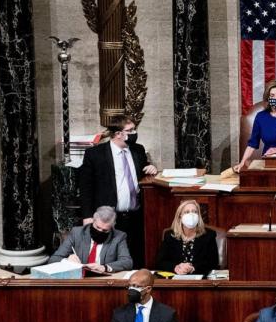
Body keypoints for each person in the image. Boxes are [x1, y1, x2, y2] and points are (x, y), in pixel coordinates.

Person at [78, 114, 157, 268]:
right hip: (110, 217)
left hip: (136, 215)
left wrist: (150, 168)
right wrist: (87, 216)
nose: (134, 133)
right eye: (130, 130)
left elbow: (142, 169)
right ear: (118, 134)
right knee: (110, 258)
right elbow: (86, 187)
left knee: (135, 256)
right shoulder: (95, 154)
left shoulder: (138, 150)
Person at [105, 269, 179, 322]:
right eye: (129, 286)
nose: (131, 290)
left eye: (136, 286)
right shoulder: (119, 313)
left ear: (148, 289)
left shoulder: (167, 314)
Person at [49, 205, 132, 274]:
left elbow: (127, 262)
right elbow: (53, 259)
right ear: (93, 221)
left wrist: (105, 267)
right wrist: (67, 260)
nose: (100, 231)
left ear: (112, 227)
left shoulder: (119, 236)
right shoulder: (77, 233)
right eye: (98, 227)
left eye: (105, 230)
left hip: (102, 282)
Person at [153, 199, 219, 276]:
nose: (191, 215)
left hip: (199, 279)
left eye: (195, 212)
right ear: (180, 216)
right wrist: (176, 267)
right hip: (175, 279)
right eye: (187, 212)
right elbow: (160, 262)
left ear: (199, 216)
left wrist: (193, 268)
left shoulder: (209, 235)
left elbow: (213, 263)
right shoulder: (170, 235)